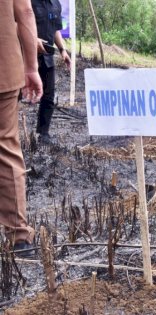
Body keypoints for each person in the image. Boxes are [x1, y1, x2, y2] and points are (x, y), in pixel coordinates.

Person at [1, 0, 43, 254]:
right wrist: (31, 67)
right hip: (4, 67)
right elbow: (25, 11)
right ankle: (19, 237)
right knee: (6, 147)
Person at [31, 0, 71, 144]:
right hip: (25, 55)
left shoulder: (56, 4)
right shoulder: (27, 2)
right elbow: (14, 24)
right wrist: (32, 39)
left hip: (46, 57)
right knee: (14, 94)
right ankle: (7, 134)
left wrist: (63, 50)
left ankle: (43, 134)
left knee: (49, 96)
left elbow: (55, 30)